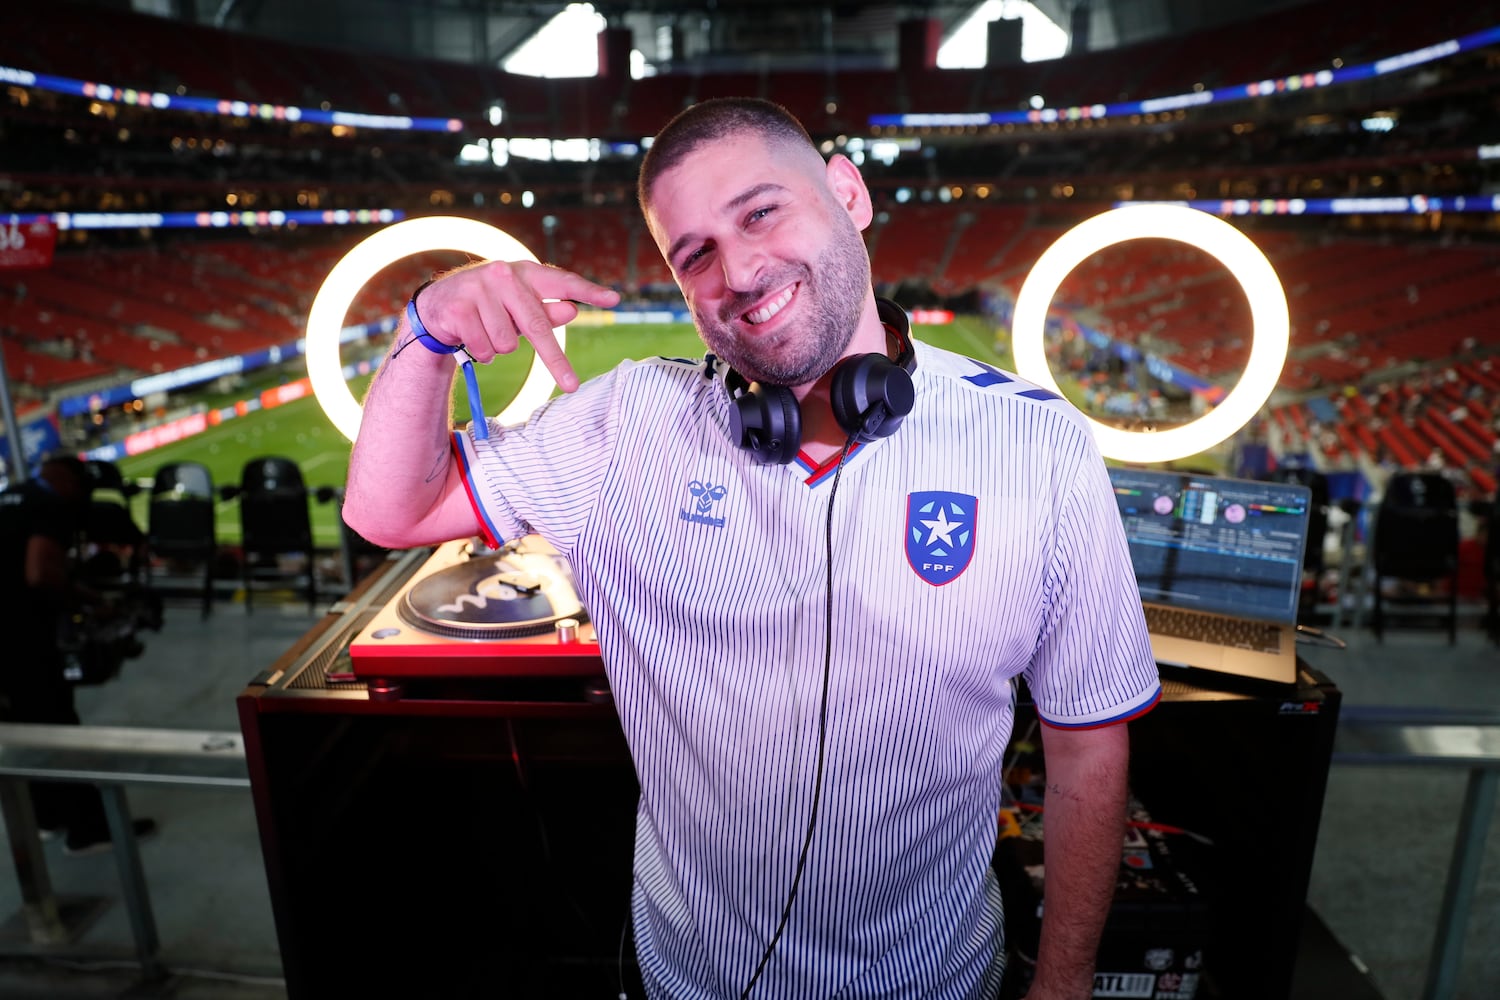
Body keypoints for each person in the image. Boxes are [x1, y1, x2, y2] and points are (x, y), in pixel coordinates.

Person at [344, 98, 1161, 999]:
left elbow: (1087, 744)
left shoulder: (1040, 445)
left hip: (940, 977)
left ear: (847, 193)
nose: (736, 270)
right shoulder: (621, 426)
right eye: (694, 255)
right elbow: (389, 511)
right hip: (688, 979)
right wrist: (428, 330)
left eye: (761, 212)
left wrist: (1062, 986)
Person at [0, 454, 156, 855]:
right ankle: (88, 829)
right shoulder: (51, 506)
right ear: (69, 482)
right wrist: (88, 604)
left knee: (23, 725)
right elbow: (40, 573)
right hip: (20, 636)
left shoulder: (12, 496)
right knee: (56, 723)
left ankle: (47, 817)